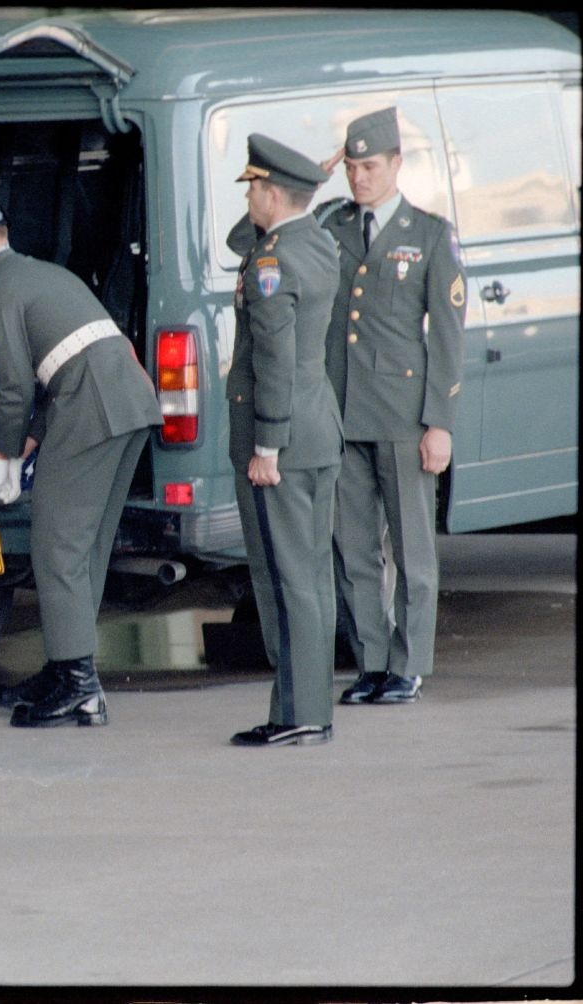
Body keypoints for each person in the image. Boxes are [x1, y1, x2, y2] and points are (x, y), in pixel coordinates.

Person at [0, 189, 163, 728]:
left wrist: (2, 453)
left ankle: (80, 687)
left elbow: (14, 385)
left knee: (57, 546)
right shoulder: (40, 274)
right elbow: (63, 362)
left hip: (91, 407)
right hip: (127, 402)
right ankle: (67, 669)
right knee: (85, 550)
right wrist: (31, 442)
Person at [317, 107, 467, 707]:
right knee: (354, 549)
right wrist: (313, 174)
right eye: (350, 167)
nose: (358, 178)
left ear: (397, 165)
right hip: (343, 414)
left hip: (404, 417)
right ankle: (373, 662)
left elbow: (448, 335)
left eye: (369, 166)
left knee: (411, 550)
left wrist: (440, 423)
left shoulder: (429, 233)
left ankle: (409, 665)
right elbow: (252, 236)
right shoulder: (329, 224)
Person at [226, 134, 343, 747]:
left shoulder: (273, 263)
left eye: (252, 188)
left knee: (287, 580)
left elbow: (273, 357)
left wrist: (266, 447)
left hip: (283, 439)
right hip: (318, 432)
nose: (247, 196)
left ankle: (298, 713)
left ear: (272, 192)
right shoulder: (315, 243)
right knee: (312, 579)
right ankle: (311, 708)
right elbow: (239, 241)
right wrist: (304, 192)